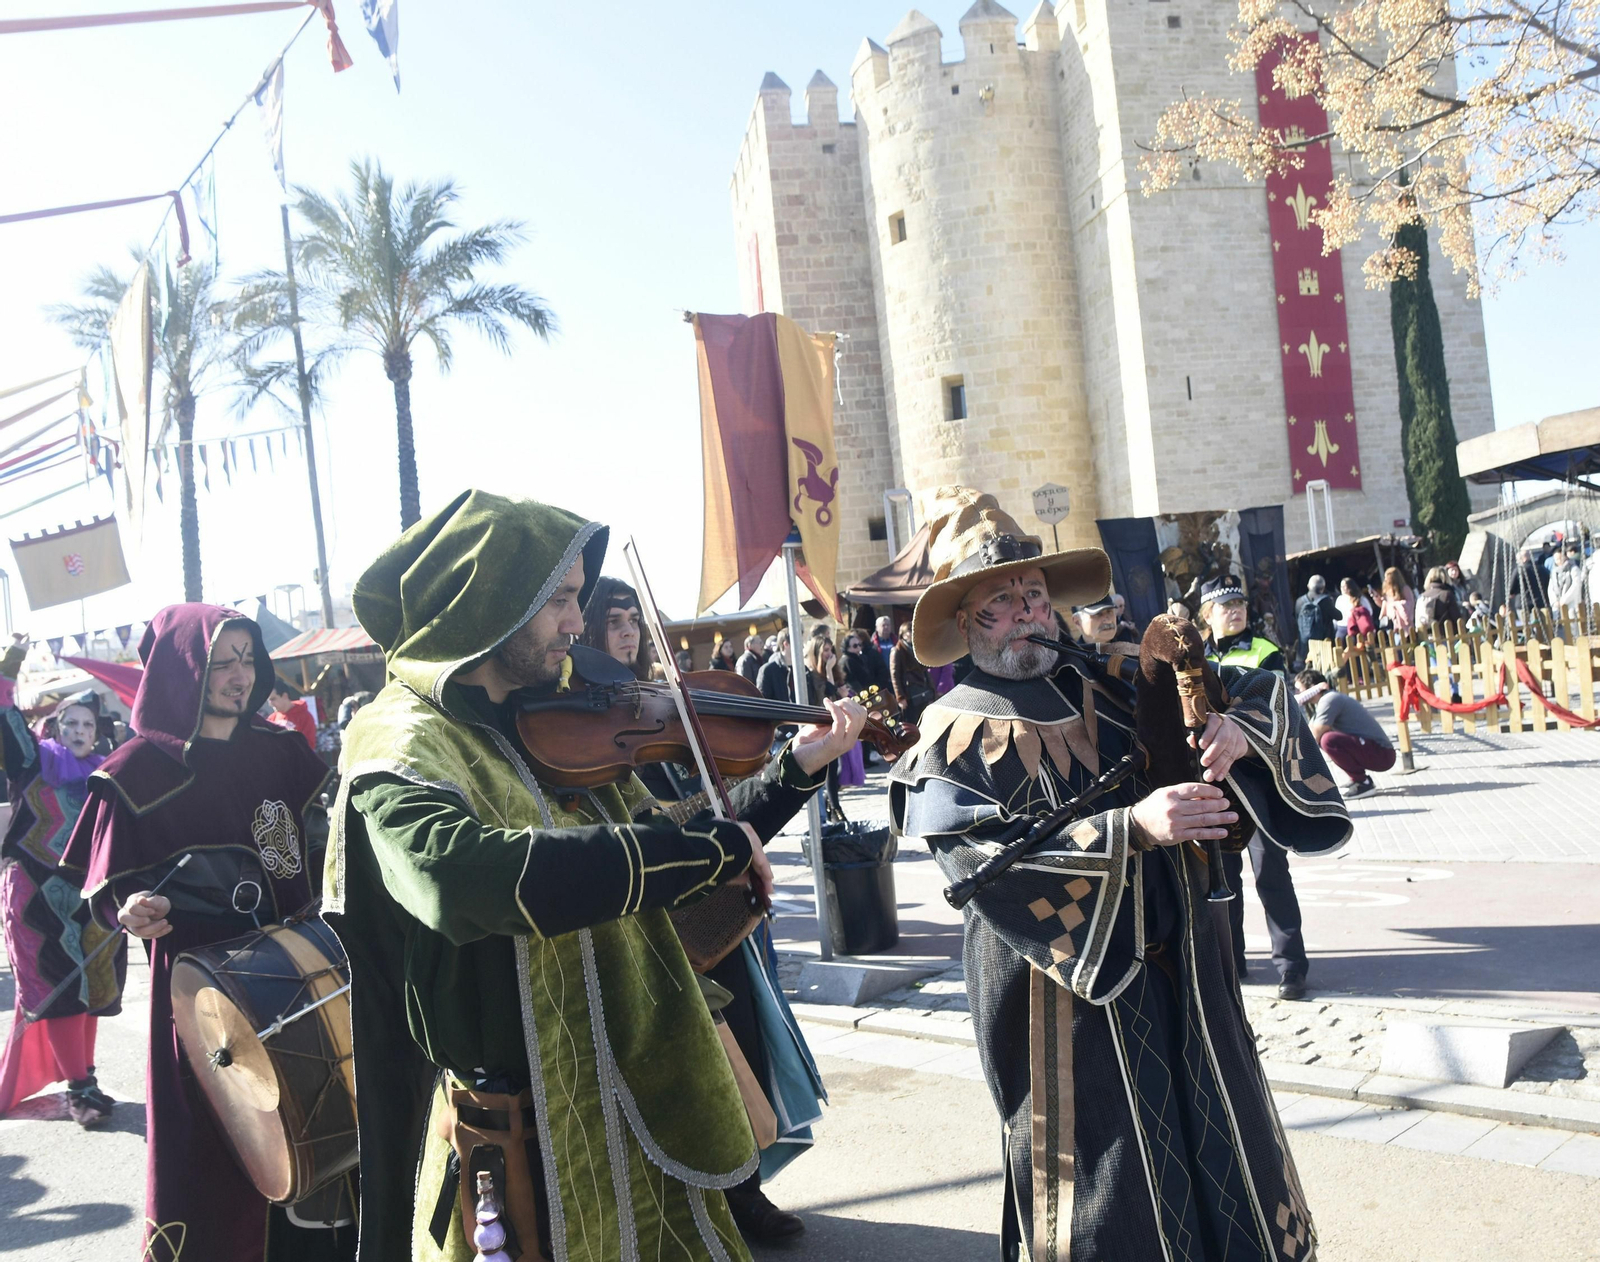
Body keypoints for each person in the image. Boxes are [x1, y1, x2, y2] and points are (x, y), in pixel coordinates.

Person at [322, 490, 866, 1262]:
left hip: (637, 1097)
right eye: (563, 602)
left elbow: (666, 838)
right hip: (523, 1134)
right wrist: (698, 855)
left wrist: (789, 776)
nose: (578, 625)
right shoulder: (400, 740)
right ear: (494, 604)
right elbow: (455, 877)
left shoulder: (549, 710)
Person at [888, 487, 1350, 1262]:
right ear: (967, 623)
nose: (1030, 610)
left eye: (1035, 592)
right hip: (1063, 999)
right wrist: (1129, 827)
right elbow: (978, 867)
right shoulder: (949, 733)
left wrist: (1237, 732)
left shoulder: (1108, 675)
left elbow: (1252, 696)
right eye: (1003, 599)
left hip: (1188, 979)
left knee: (1221, 1145)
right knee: (1109, 1184)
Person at [59, 605, 349, 1262]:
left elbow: (319, 851)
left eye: (248, 660)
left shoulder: (281, 752)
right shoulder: (136, 771)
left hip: (294, 972)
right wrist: (126, 909)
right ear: (184, 670)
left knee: (310, 1134)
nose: (240, 677)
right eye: (223, 663)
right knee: (208, 1149)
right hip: (196, 995)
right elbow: (104, 892)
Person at [0, 691, 124, 1125]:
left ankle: (85, 1078)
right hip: (35, 897)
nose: (79, 732)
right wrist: (8, 670)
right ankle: (78, 1091)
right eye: (70, 723)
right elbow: (5, 717)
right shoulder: (33, 762)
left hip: (86, 897)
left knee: (92, 990)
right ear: (54, 727)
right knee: (61, 989)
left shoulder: (104, 773)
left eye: (88, 725)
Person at [1198, 576, 1307, 996]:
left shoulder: (1265, 651)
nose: (1235, 610)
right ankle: (1233, 963)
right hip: (1218, 782)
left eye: (1239, 603)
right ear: (1207, 615)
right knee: (1222, 878)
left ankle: (1292, 967)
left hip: (1261, 781)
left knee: (1271, 873)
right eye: (1225, 606)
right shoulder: (1194, 657)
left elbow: (1276, 710)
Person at [1295, 669, 1395, 799]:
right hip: (1379, 751)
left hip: (1383, 755)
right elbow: (1310, 731)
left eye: (1300, 689)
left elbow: (1314, 736)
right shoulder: (1325, 700)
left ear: (1311, 687)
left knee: (1327, 740)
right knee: (1326, 739)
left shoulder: (1329, 699)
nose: (1298, 693)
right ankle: (1357, 778)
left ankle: (1363, 783)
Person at [890, 620, 933, 723]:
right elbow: (895, 676)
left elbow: (925, 671)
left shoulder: (916, 648)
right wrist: (900, 697)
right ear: (903, 635)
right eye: (910, 631)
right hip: (909, 694)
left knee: (925, 721)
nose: (913, 633)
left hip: (922, 690)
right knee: (912, 723)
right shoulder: (897, 650)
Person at [266, 678, 318, 748]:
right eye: (269, 700)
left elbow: (309, 746)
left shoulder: (305, 717)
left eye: (273, 699)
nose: (270, 704)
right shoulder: (271, 719)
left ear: (285, 696)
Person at [1415, 565, 1465, 629]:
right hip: (1446, 633)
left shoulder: (1421, 596)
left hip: (1426, 634)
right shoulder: (1447, 594)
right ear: (1445, 577)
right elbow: (1456, 617)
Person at [1296, 574, 1339, 645]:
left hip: (1305, 642)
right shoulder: (1326, 601)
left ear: (1308, 586)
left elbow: (1296, 618)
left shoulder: (1299, 601)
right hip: (1324, 642)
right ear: (1323, 588)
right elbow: (1339, 616)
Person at [757, 626, 795, 703]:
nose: (801, 646)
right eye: (797, 643)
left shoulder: (803, 670)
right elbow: (763, 702)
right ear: (786, 644)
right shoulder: (767, 671)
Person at [1548, 542, 1586, 616]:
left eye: (1560, 558)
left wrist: (1564, 600)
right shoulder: (1554, 572)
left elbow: (1576, 585)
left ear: (1565, 557)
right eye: (1556, 559)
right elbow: (1551, 588)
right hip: (1557, 605)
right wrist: (1555, 601)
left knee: (1573, 624)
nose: (1558, 561)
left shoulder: (1573, 568)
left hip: (1572, 604)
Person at [1379, 566, 1414, 634]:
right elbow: (1384, 608)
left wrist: (1397, 605)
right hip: (1392, 625)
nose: (1385, 579)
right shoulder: (1387, 591)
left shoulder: (1405, 589)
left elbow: (1411, 604)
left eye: (1387, 577)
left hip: (1405, 626)